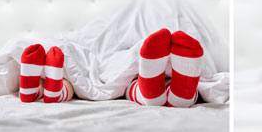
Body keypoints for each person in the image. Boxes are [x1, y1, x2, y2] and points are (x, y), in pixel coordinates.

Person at [18, 28, 206, 109]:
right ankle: (176, 95)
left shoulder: (93, 28)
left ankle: (41, 90)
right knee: (131, 80)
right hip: (109, 60)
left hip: (82, 63)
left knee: (67, 82)